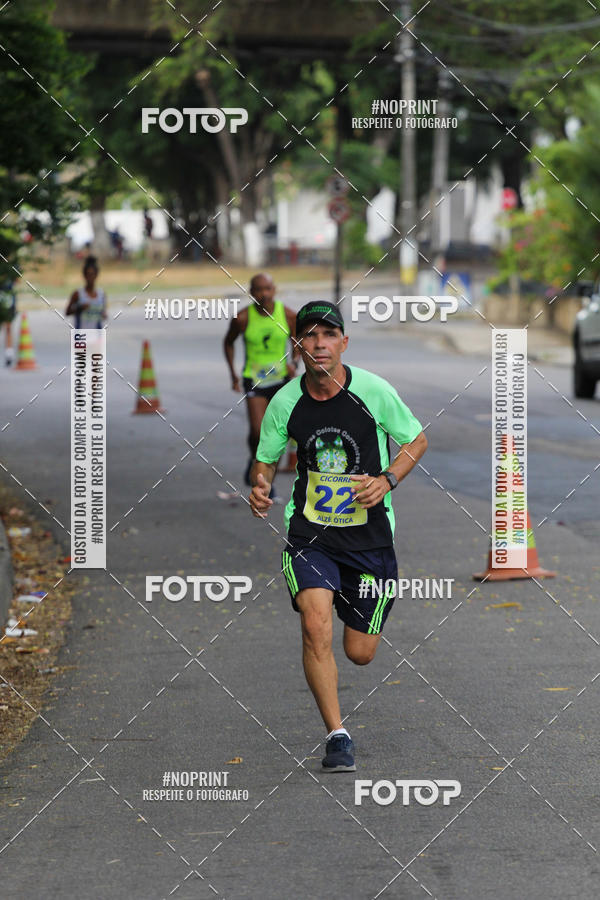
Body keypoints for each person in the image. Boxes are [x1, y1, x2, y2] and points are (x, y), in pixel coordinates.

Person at [248, 301, 428, 772]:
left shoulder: (373, 391)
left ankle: (360, 615)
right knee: (314, 624)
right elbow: (265, 457)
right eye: (309, 336)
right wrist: (262, 483)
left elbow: (416, 440)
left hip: (370, 539)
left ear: (344, 343)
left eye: (329, 335)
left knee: (360, 652)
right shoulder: (285, 402)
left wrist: (387, 479)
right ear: (298, 346)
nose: (319, 344)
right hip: (312, 536)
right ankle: (337, 735)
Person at [223, 272, 299, 493]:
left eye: (268, 289)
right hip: (254, 379)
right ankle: (256, 462)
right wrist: (232, 375)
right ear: (251, 292)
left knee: (277, 432)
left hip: (281, 380)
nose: (264, 294)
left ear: (274, 290)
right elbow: (228, 343)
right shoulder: (243, 318)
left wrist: (294, 361)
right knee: (258, 431)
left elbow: (297, 340)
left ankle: (266, 477)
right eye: (259, 289)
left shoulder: (286, 314)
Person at [65, 256, 107, 328]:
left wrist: (103, 314)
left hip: (97, 335)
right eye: (88, 274)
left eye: (92, 274)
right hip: (81, 335)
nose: (90, 278)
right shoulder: (78, 294)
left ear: (96, 275)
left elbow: (103, 313)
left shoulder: (101, 294)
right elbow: (67, 312)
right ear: (84, 275)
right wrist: (79, 308)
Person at [0, 278, 17, 366]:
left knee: (8, 327)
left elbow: (17, 279)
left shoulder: (11, 266)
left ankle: (9, 353)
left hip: (8, 298)